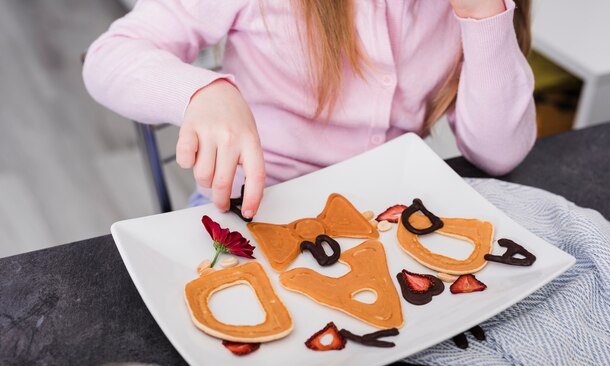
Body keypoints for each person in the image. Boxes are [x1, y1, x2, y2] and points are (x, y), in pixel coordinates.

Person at [83, 0, 535, 219]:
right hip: (255, 207)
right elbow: (110, 56)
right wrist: (203, 92)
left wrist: (483, 14)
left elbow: (499, 152)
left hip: (390, 209)